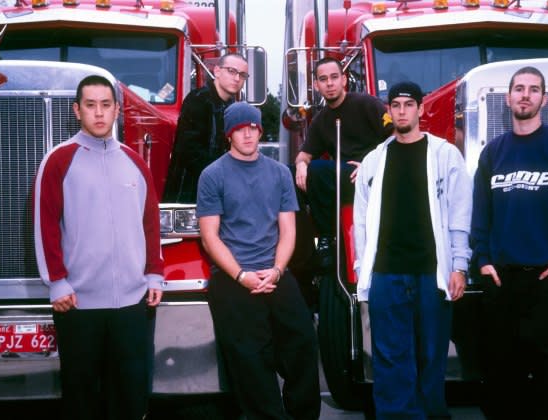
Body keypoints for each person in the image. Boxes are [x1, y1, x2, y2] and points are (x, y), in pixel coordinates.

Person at [34, 75, 164, 420]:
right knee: (82, 397)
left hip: (132, 303)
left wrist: (154, 274)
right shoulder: (59, 161)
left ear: (117, 110)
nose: (99, 113)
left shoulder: (135, 162)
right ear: (77, 110)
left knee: (130, 394)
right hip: (78, 302)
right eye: (90, 105)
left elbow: (150, 223)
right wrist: (57, 281)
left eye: (106, 105)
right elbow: (44, 224)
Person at [471, 66, 548, 420]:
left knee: (543, 385)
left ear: (544, 98)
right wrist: (483, 261)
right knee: (499, 383)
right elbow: (480, 215)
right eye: (519, 88)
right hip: (501, 281)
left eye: (533, 89)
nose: (525, 94)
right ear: (508, 97)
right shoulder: (493, 153)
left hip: (547, 281)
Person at [354, 82, 472, 419]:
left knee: (431, 357)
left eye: (408, 104)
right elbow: (361, 223)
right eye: (396, 105)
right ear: (389, 112)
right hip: (386, 276)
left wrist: (459, 265)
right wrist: (365, 271)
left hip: (430, 275)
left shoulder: (445, 154)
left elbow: (460, 213)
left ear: (420, 109)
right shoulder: (374, 160)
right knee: (390, 361)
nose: (402, 110)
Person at [197, 102, 321, 419]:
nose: (248, 133)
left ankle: (303, 413)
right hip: (233, 277)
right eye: (240, 128)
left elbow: (288, 230)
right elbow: (211, 238)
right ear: (229, 134)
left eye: (252, 127)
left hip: (274, 271)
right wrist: (242, 276)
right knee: (251, 359)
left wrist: (277, 271)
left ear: (260, 130)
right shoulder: (212, 176)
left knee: (303, 342)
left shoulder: (280, 173)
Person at [294, 57, 392, 267]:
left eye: (334, 77)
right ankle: (302, 250)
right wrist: (301, 164)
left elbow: (395, 139)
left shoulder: (367, 104)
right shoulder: (321, 120)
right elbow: (305, 154)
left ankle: (327, 238)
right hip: (343, 179)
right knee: (287, 174)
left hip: (372, 178)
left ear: (344, 80)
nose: (329, 83)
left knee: (318, 170)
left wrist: (371, 165)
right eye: (323, 79)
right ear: (316, 85)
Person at [163, 52, 249, 202]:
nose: (237, 78)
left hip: (217, 191)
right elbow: (190, 152)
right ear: (217, 71)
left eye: (242, 75)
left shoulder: (232, 107)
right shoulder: (198, 100)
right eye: (231, 71)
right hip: (191, 194)